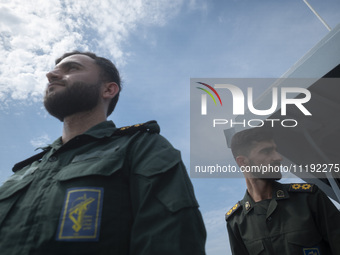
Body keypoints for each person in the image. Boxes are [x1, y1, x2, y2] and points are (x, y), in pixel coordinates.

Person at [0, 51, 206, 254]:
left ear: (108, 89)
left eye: (72, 68)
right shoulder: (24, 171)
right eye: (53, 71)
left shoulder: (141, 147)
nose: (50, 75)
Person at [225, 127, 340, 255]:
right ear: (242, 161)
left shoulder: (309, 198)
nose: (278, 157)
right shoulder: (236, 221)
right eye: (266, 151)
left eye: (276, 150)